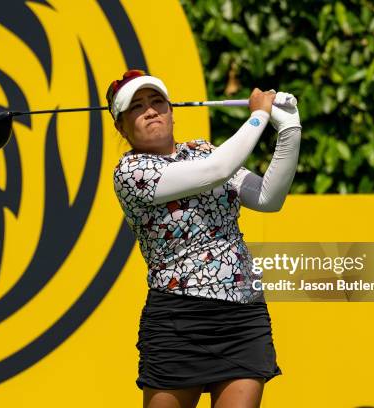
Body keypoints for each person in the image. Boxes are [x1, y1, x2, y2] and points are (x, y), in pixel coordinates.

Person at [108, 69, 301, 408]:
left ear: (171, 110)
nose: (151, 110)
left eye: (157, 101)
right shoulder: (131, 172)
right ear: (121, 126)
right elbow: (216, 172)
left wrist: (289, 130)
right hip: (178, 320)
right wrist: (258, 115)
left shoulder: (201, 151)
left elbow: (268, 198)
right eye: (136, 106)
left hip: (242, 316)